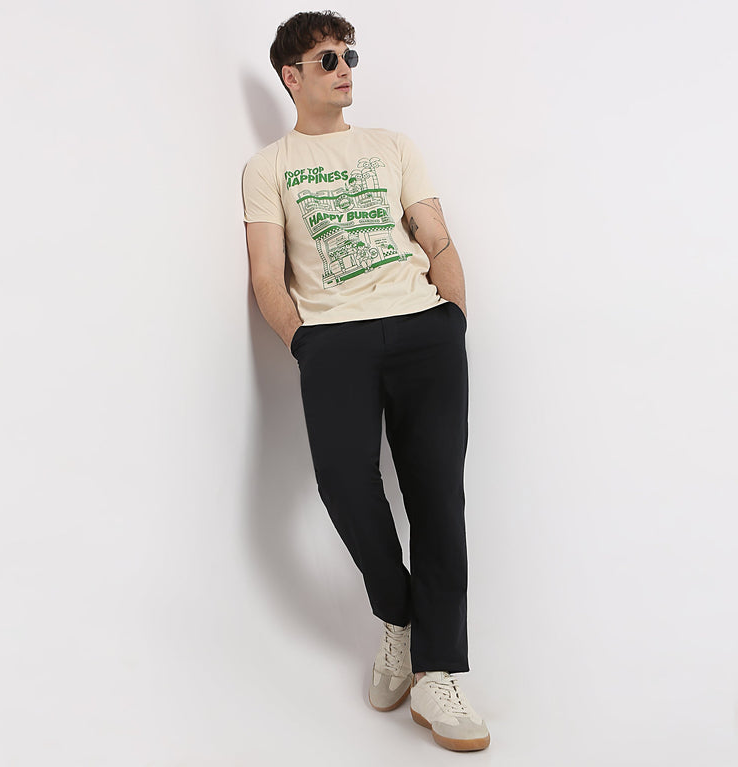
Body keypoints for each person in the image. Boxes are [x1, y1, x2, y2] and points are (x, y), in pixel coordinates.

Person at [241, 10, 490, 752]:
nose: (344, 67)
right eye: (327, 59)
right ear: (291, 76)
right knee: (344, 485)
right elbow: (266, 273)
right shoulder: (267, 167)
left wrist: (453, 317)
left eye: (349, 54)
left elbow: (434, 233)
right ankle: (399, 618)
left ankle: (440, 673)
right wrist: (306, 344)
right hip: (334, 341)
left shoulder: (392, 146)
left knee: (436, 497)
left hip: (423, 329)